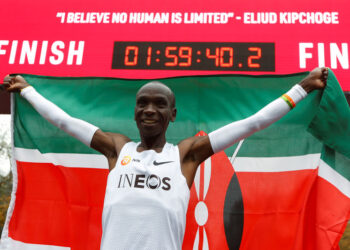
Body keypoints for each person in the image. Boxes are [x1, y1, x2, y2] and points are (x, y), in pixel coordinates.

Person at [3, 68, 328, 250]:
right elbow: (65, 121)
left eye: (159, 104)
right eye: (142, 103)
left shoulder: (186, 155)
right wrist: (27, 90)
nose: (149, 109)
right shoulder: (118, 149)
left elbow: (251, 123)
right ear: (134, 112)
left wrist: (302, 87)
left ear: (172, 115)